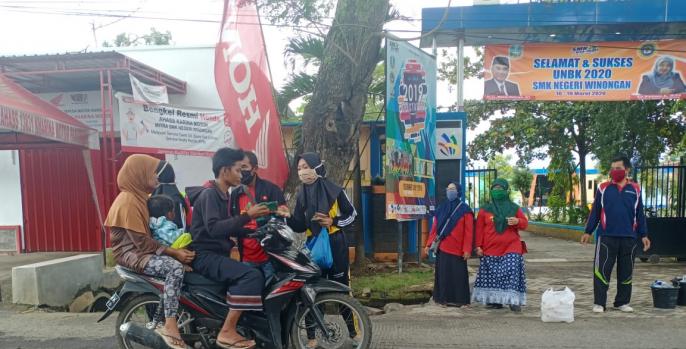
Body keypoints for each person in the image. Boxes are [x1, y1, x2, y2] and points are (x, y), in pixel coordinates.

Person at [105, 155, 195, 349]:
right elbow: (142, 243)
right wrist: (174, 253)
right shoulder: (128, 201)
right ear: (139, 174)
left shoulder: (140, 197)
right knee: (174, 269)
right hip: (132, 254)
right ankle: (170, 324)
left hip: (141, 250)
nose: (156, 176)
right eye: (152, 172)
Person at [187, 147, 271, 349]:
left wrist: (256, 232)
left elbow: (228, 227)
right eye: (238, 170)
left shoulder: (223, 195)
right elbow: (215, 229)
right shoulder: (210, 195)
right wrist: (247, 216)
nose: (241, 175)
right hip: (205, 255)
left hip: (216, 253)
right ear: (224, 171)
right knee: (252, 275)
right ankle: (227, 331)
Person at [285, 152, 358, 348]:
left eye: (306, 167)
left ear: (317, 167)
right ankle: (312, 338)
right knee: (312, 292)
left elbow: (352, 215)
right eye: (299, 168)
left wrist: (332, 221)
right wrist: (287, 218)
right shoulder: (301, 195)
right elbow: (300, 225)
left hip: (335, 245)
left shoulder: (335, 190)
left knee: (341, 289)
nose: (303, 172)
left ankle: (353, 333)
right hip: (313, 246)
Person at [581, 155, 651, 313]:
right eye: (612, 168)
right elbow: (596, 212)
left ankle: (622, 302)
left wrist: (644, 234)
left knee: (626, 271)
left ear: (627, 170)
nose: (615, 171)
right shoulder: (603, 188)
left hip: (629, 238)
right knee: (602, 270)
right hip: (607, 237)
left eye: (618, 168)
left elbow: (639, 213)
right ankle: (599, 302)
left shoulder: (636, 189)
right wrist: (588, 231)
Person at [472, 178, 528, 312]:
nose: (497, 191)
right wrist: (478, 246)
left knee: (512, 269)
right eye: (494, 189)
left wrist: (517, 221)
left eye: (500, 189)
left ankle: (513, 301)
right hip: (490, 248)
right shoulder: (485, 210)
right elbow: (479, 229)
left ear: (506, 190)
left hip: (511, 246)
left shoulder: (514, 208)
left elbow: (525, 224)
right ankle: (496, 300)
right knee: (493, 275)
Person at [231, 151, 287, 280]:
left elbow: (282, 218)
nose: (240, 171)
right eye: (238, 168)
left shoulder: (272, 189)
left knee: (271, 294)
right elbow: (234, 221)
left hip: (269, 256)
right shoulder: (235, 194)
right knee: (251, 293)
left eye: (244, 167)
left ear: (255, 168)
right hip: (246, 256)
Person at [424, 182, 474, 307]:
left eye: (453, 189)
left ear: (459, 192)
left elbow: (469, 232)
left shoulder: (465, 210)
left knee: (458, 275)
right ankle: (443, 299)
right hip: (443, 247)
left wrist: (467, 249)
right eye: (448, 189)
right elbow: (435, 229)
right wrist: (428, 244)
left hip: (458, 249)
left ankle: (459, 300)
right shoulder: (441, 208)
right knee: (443, 275)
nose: (449, 191)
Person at [152, 160, 191, 231]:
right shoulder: (154, 194)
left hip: (174, 240)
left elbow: (181, 228)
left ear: (159, 175)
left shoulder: (174, 198)